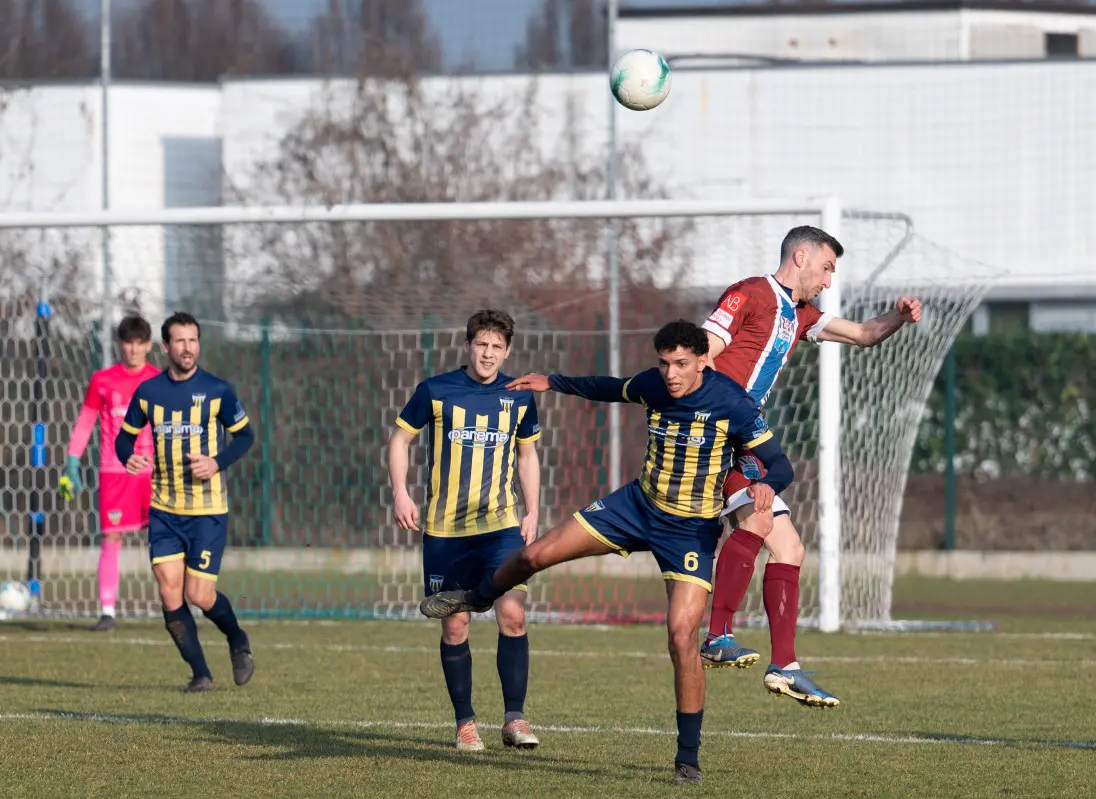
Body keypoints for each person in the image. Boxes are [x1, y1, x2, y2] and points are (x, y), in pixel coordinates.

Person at [420, 320, 795, 784]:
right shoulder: (653, 385)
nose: (671, 374)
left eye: (681, 364)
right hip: (634, 508)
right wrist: (552, 382)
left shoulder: (733, 403)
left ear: (703, 361)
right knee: (535, 555)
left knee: (682, 637)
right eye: (664, 363)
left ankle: (688, 759)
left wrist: (767, 484)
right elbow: (609, 388)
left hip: (689, 532)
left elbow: (781, 463)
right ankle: (477, 598)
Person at [698, 224, 921, 708]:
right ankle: (716, 636)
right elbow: (701, 355)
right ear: (800, 257)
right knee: (757, 520)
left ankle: (785, 666)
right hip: (715, 435)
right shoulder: (749, 293)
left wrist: (899, 317)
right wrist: (721, 413)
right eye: (826, 268)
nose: (827, 280)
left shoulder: (800, 315)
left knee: (791, 549)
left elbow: (863, 334)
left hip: (744, 440)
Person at [388, 309, 542, 752]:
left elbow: (527, 456)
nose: (488, 353)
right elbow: (400, 440)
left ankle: (514, 719)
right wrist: (400, 493)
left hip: (501, 526)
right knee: (455, 627)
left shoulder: (519, 397)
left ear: (507, 352)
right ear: (468, 346)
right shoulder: (435, 390)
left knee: (513, 614)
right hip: (445, 531)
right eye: (481, 344)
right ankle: (465, 723)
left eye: (497, 347)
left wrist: (533, 511)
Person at [116, 312, 256, 692]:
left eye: (193, 340)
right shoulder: (148, 393)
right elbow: (123, 439)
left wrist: (216, 462)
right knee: (168, 593)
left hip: (207, 512)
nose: (187, 347)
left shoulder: (218, 390)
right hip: (164, 510)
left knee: (198, 595)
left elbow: (245, 436)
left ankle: (237, 639)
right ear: (165, 347)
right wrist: (128, 457)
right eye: (180, 341)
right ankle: (200, 674)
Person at [60, 314, 161, 631]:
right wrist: (72, 462)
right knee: (111, 538)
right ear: (120, 344)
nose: (133, 349)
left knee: (164, 538)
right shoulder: (102, 380)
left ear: (148, 345)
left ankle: (177, 607)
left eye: (139, 343)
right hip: (114, 472)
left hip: (153, 472)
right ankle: (107, 612)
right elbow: (85, 421)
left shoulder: (161, 381)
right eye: (128, 343)